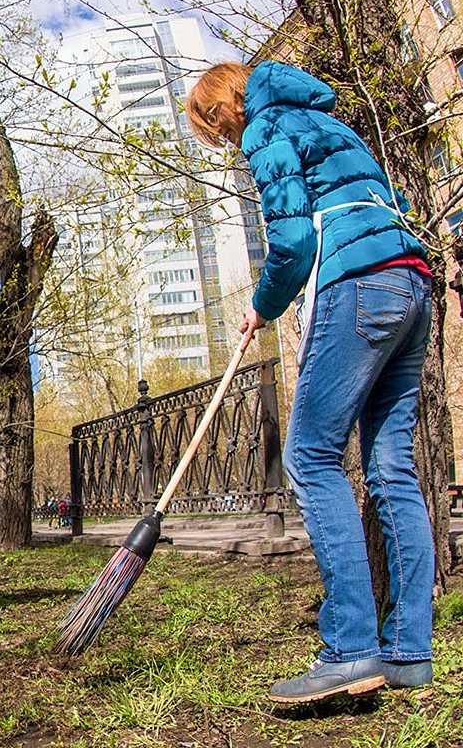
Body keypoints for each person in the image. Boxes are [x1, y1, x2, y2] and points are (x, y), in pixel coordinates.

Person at [186, 61, 433, 702]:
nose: (221, 142)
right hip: (410, 284)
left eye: (212, 128)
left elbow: (292, 241)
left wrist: (263, 305)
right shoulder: (326, 120)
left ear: (223, 110)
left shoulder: (267, 127)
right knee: (391, 467)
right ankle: (408, 651)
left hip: (356, 287)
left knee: (311, 458)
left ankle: (351, 649)